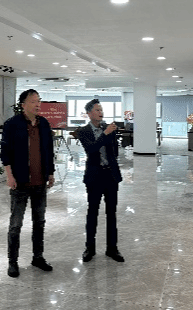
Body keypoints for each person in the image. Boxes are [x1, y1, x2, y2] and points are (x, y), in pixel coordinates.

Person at [0, 89, 55, 278]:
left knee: (39, 222)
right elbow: (5, 153)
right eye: (33, 101)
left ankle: (38, 257)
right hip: (20, 182)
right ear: (23, 104)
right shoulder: (12, 124)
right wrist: (9, 176)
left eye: (39, 101)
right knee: (16, 225)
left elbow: (49, 150)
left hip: (40, 182)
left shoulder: (44, 123)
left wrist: (50, 172)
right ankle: (12, 262)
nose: (38, 104)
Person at [76, 99, 125, 263]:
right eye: (97, 110)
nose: (101, 112)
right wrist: (105, 135)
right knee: (92, 212)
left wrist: (108, 133)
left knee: (111, 213)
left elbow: (114, 151)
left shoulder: (108, 128)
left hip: (110, 176)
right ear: (89, 113)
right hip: (94, 176)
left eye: (101, 109)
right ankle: (89, 248)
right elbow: (91, 149)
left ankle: (112, 248)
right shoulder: (83, 131)